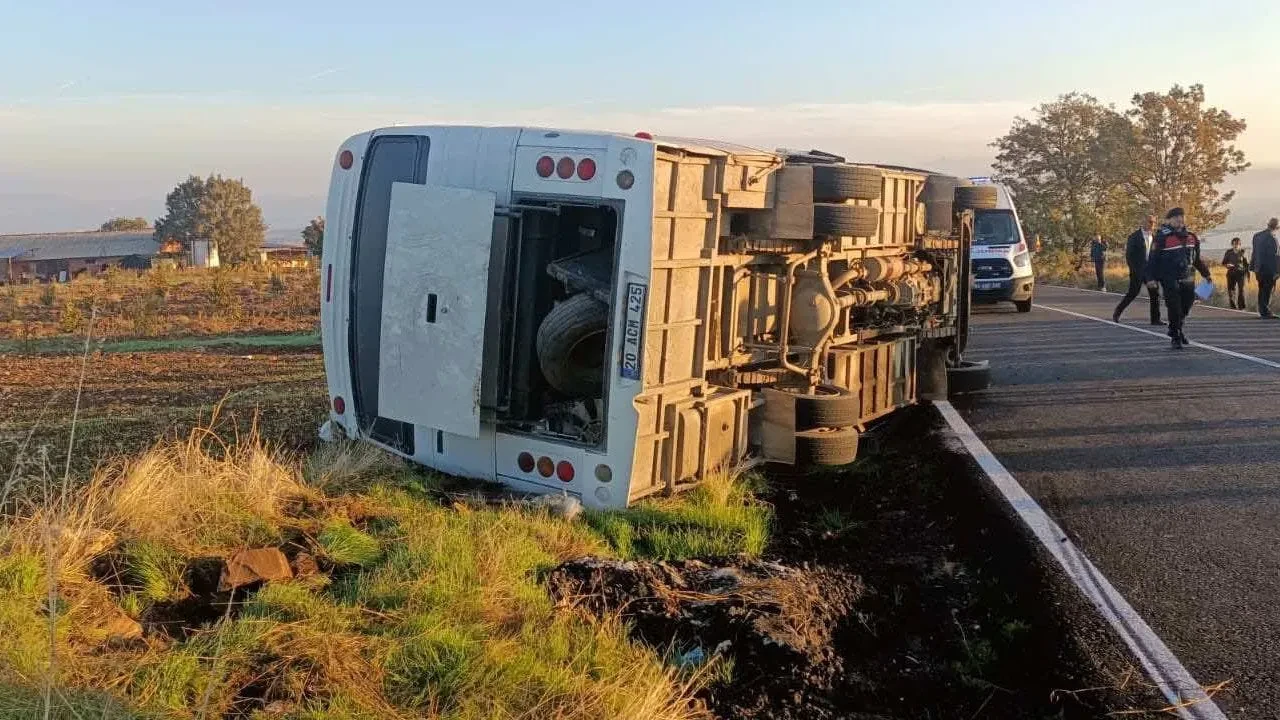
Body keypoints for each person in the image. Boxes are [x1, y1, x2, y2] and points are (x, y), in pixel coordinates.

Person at [1146, 208, 1211, 350]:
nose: (1179, 220)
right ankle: (1176, 335)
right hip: (1169, 278)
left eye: (1181, 217)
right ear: (1169, 220)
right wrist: (1151, 278)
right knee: (1174, 307)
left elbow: (1196, 260)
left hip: (1188, 278)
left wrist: (1206, 274)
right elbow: (1153, 260)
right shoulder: (1161, 237)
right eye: (1176, 218)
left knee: (1186, 307)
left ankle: (1176, 327)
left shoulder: (1192, 237)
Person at [1113, 215, 1163, 325]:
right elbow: (1129, 256)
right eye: (1150, 222)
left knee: (1155, 294)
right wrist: (1134, 270)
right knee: (1133, 293)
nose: (1152, 224)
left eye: (1154, 222)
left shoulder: (1155, 237)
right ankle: (1117, 312)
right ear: (1143, 222)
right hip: (1138, 270)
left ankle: (1155, 319)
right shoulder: (1134, 237)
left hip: (1150, 272)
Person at [1252, 218, 1279, 318]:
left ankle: (1262, 310)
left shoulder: (1257, 236)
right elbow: (1273, 257)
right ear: (1276, 227)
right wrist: (1276, 271)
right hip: (1268, 270)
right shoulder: (1272, 238)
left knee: (1261, 289)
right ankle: (1265, 311)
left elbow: (1254, 253)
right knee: (1267, 290)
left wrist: (1253, 267)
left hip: (1258, 268)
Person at [1222, 237, 1250, 310]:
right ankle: (1233, 307)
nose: (1236, 245)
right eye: (1234, 244)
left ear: (1240, 244)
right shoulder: (1228, 252)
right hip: (1231, 273)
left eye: (1237, 244)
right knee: (1231, 290)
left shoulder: (1243, 252)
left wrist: (1248, 274)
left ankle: (1241, 307)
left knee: (1241, 290)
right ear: (1232, 244)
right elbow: (1224, 262)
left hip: (1241, 273)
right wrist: (1227, 265)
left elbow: (1247, 264)